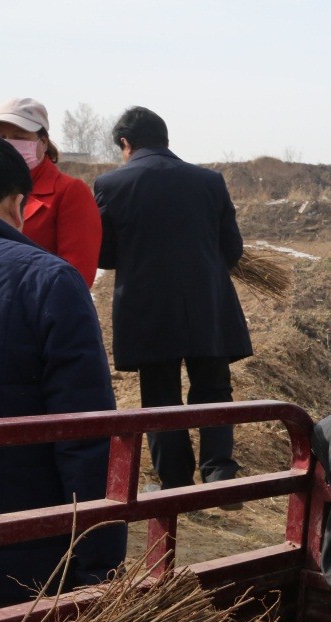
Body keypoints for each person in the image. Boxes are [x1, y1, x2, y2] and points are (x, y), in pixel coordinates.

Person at [0, 131, 125, 609]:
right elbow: (84, 431)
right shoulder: (45, 279)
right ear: (18, 205)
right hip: (13, 557)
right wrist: (100, 568)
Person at [95, 107, 251, 496]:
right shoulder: (209, 181)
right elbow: (231, 249)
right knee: (214, 387)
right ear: (166, 139)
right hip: (207, 304)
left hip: (148, 309)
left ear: (126, 144)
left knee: (160, 395)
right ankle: (219, 474)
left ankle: (175, 482)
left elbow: (106, 255)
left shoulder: (111, 184)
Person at [0, 98, 101, 288]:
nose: (7, 144)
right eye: (0, 136)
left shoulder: (69, 192)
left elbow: (77, 274)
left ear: (43, 142)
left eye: (19, 137)